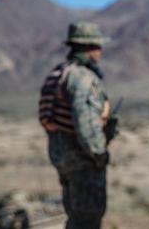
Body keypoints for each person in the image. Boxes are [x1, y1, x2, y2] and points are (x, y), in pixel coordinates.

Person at [39, 22, 112, 229]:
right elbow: (85, 123)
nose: (100, 51)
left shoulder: (57, 73)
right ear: (88, 48)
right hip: (82, 158)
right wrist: (99, 153)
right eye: (97, 46)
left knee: (75, 215)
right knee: (87, 218)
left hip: (61, 155)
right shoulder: (82, 77)